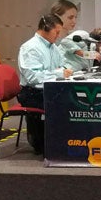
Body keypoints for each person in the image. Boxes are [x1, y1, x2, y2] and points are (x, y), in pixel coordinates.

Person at [17, 14, 73, 154]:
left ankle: (66, 141)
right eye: (56, 32)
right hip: (32, 93)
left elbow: (62, 65)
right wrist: (59, 73)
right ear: (46, 28)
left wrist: (65, 70)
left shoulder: (53, 47)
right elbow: (33, 77)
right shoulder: (30, 48)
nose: (58, 36)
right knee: (66, 103)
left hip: (49, 89)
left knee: (73, 98)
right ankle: (48, 144)